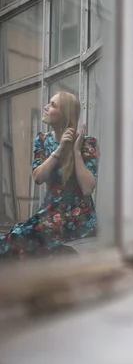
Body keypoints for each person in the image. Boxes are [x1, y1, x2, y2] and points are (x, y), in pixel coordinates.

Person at [0, 92, 99, 260]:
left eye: (53, 105)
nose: (46, 107)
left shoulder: (87, 142)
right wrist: (59, 150)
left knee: (17, 240)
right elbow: (38, 178)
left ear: (65, 114)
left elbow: (87, 188)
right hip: (49, 213)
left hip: (78, 217)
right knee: (17, 241)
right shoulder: (42, 140)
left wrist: (75, 151)